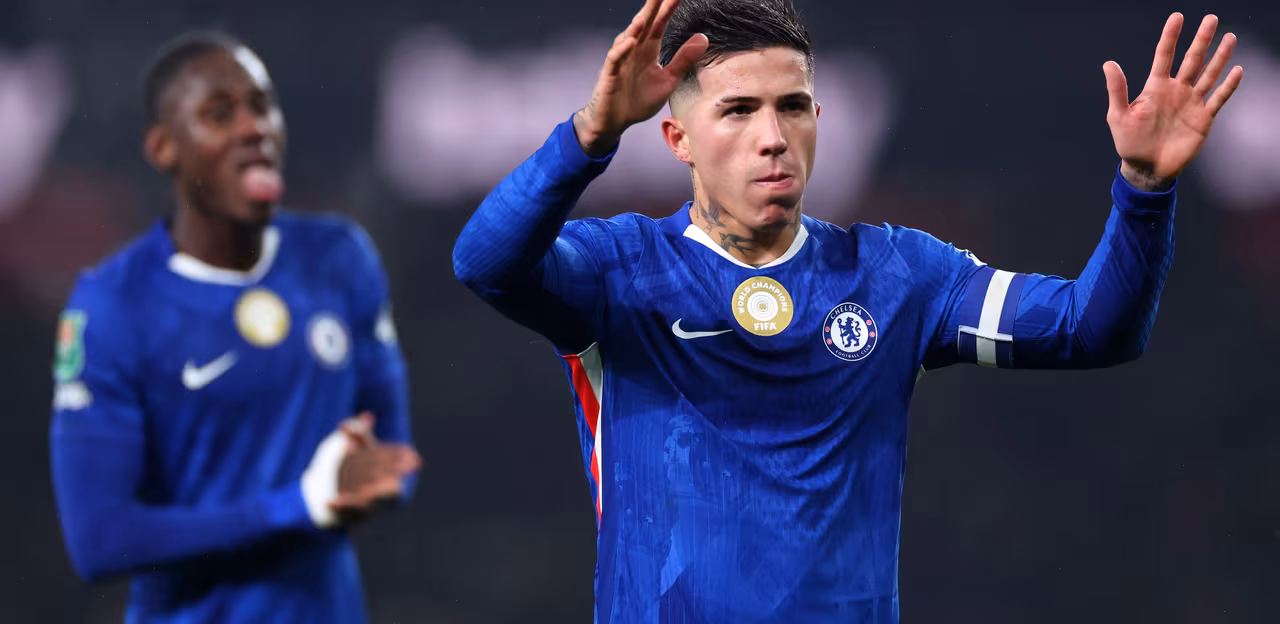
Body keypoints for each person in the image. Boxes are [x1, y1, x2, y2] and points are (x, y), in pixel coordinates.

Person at [452, 0, 1243, 621]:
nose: (772, 137)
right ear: (677, 138)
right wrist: (587, 136)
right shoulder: (619, 269)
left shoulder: (898, 275)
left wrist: (1144, 189)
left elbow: (1092, 328)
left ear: (819, 121)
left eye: (792, 106)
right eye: (738, 110)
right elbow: (484, 264)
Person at [49, 30, 421, 624]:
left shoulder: (339, 258)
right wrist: (298, 505)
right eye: (220, 114)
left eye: (262, 106)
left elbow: (394, 460)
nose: (254, 128)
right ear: (164, 148)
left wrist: (361, 480)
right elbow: (100, 541)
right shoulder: (113, 304)